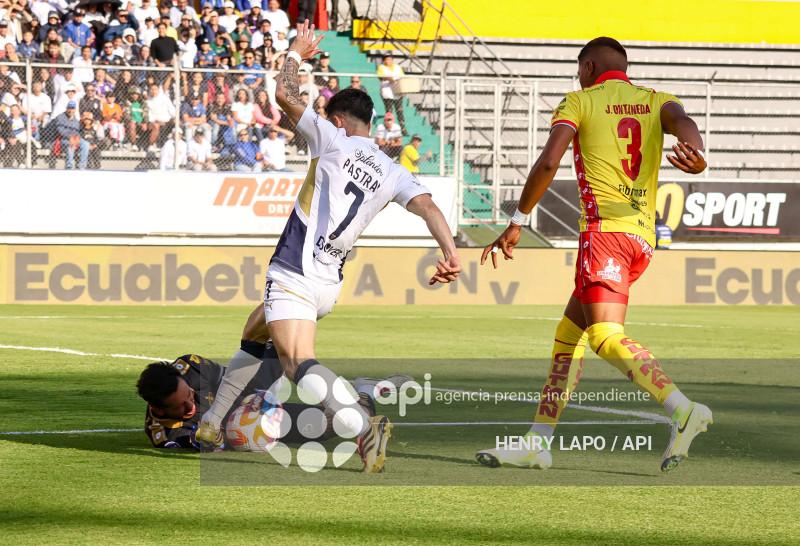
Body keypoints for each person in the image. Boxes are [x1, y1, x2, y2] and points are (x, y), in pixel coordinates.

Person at [194, 21, 462, 474]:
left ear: (337, 120)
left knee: (299, 364)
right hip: (328, 279)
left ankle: (362, 426)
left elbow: (283, 95)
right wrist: (451, 255)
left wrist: (296, 54)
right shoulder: (393, 170)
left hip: (296, 269)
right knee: (256, 330)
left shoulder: (331, 138)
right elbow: (431, 209)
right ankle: (212, 422)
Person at [475, 37, 712, 473]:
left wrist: (517, 220)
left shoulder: (579, 101)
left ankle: (682, 409)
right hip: (641, 238)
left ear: (588, 66)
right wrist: (698, 154)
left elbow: (549, 162)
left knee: (604, 336)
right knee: (568, 338)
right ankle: (537, 442)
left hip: (605, 233)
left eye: (577, 68)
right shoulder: (657, 100)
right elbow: (686, 122)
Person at [136, 352, 403, 449]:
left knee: (282, 339)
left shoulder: (190, 367)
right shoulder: (164, 434)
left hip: (250, 395)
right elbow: (206, 446)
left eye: (189, 396)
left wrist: (254, 401)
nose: (190, 406)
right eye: (181, 408)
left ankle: (364, 389)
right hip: (257, 429)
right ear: (158, 408)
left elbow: (234, 379)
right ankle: (366, 390)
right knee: (340, 424)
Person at [53, 101, 89, 169]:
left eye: (72, 108)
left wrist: (78, 137)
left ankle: (82, 166)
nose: (71, 110)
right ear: (66, 108)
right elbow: (60, 131)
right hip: (63, 139)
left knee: (85, 144)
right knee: (70, 144)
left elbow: (77, 131)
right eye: (69, 108)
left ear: (75, 109)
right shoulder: (60, 117)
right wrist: (70, 138)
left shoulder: (75, 119)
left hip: (74, 138)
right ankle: (69, 165)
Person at [376, 52, 407, 135]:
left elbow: (402, 77)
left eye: (389, 59)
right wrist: (389, 78)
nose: (387, 61)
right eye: (386, 59)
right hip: (387, 93)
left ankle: (403, 129)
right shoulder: (381, 67)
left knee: (400, 111)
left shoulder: (397, 67)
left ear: (392, 60)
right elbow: (380, 77)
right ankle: (390, 128)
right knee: (389, 112)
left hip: (397, 93)